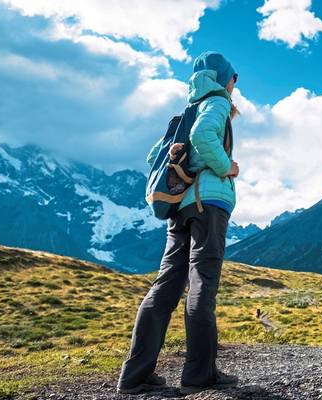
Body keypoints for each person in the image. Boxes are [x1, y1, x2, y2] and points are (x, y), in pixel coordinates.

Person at [117, 51, 240, 395]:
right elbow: (203, 137)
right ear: (222, 79)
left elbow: (153, 154)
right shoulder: (215, 103)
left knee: (166, 285)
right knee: (202, 282)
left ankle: (135, 375)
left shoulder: (185, 112)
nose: (235, 84)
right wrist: (225, 167)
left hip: (180, 208)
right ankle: (200, 373)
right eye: (234, 77)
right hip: (207, 203)